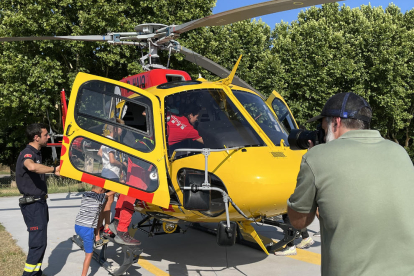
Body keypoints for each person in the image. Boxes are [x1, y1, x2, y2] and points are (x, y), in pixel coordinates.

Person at [286, 92, 414, 275]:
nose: (321, 134)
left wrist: (312, 164)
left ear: (335, 123)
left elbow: (299, 221)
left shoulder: (316, 157)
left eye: (322, 128)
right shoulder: (400, 153)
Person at [16, 123, 60, 276]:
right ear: (36, 137)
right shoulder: (28, 153)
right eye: (46, 134)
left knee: (41, 243)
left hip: (39, 203)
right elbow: (32, 167)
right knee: (37, 244)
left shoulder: (37, 153)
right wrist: (54, 170)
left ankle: (36, 273)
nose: (48, 137)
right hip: (33, 205)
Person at [96, 119, 126, 242]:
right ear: (115, 128)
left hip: (105, 172)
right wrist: (122, 164)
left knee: (105, 203)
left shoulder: (105, 139)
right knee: (108, 202)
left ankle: (101, 227)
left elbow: (99, 153)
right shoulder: (112, 141)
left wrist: (105, 161)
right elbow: (113, 160)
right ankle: (107, 227)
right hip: (112, 174)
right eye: (120, 128)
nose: (122, 130)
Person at [74, 185, 115, 276]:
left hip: (77, 226)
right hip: (86, 229)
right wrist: (124, 188)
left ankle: (97, 238)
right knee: (89, 253)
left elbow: (102, 201)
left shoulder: (85, 194)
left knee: (95, 218)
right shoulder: (100, 196)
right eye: (103, 190)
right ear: (101, 190)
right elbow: (111, 193)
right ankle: (83, 275)